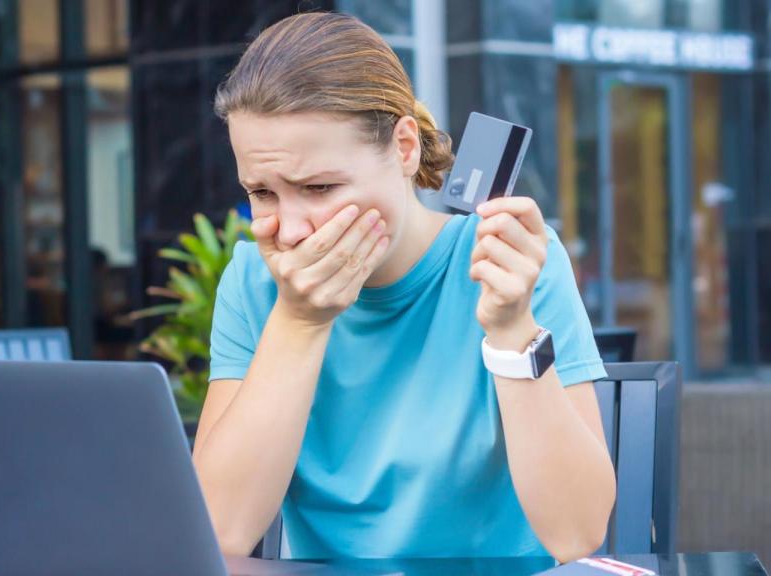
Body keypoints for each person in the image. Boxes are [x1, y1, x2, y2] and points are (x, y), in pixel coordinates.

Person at [192, 12, 615, 563]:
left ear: (405, 147)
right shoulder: (255, 281)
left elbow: (578, 534)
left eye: (319, 187)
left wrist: (512, 331)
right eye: (262, 193)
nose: (291, 230)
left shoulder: (507, 263)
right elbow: (217, 532)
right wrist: (299, 323)